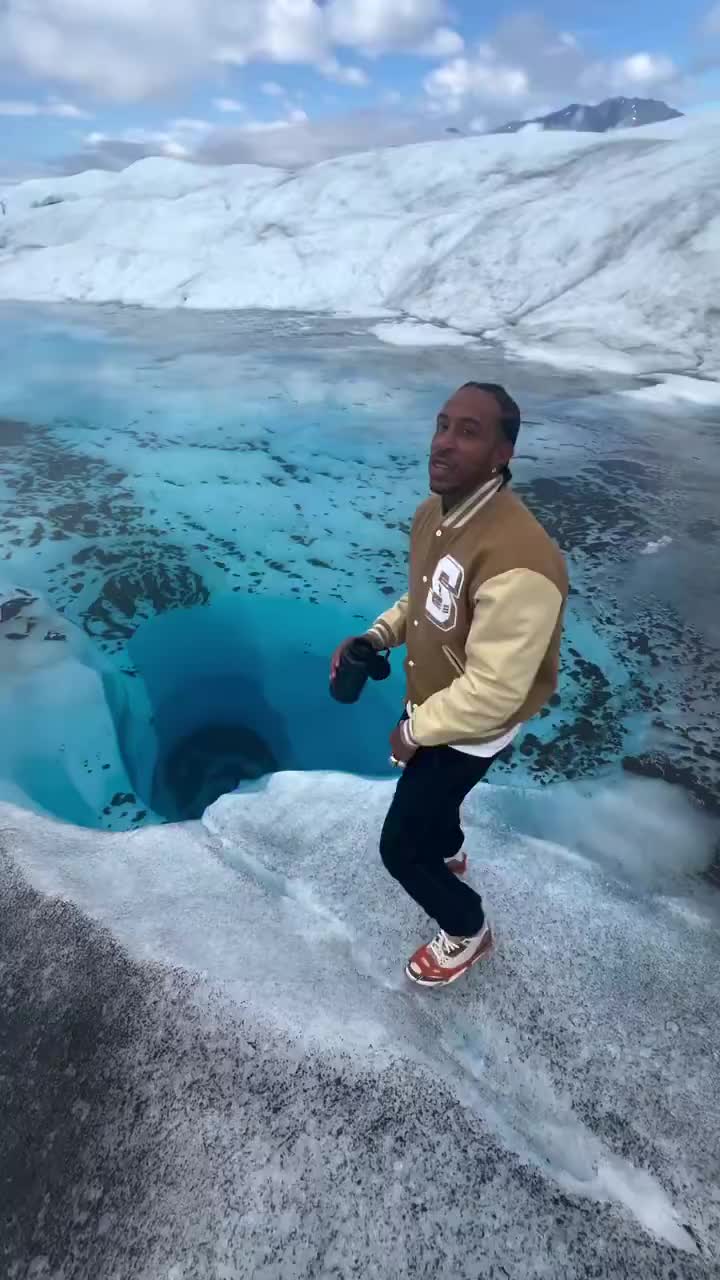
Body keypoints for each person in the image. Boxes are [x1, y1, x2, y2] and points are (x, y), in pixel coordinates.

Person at [331, 382, 568, 988]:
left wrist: (414, 731)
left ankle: (467, 928)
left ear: (502, 453)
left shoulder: (521, 561)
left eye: (469, 431)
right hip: (441, 707)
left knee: (400, 850)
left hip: (472, 726)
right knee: (436, 804)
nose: (443, 443)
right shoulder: (436, 515)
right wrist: (378, 636)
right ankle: (451, 849)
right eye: (441, 425)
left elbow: (493, 693)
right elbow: (426, 599)